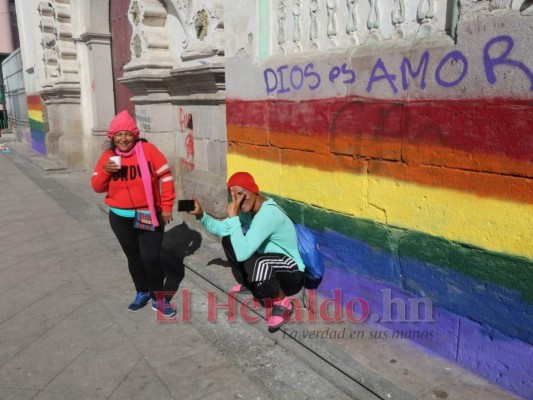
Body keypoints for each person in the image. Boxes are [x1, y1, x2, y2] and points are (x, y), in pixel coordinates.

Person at [190, 172, 305, 332]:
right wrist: (201, 215)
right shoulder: (249, 212)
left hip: (291, 271)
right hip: (271, 266)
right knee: (229, 239)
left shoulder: (268, 214)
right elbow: (222, 229)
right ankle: (250, 283)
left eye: (242, 193)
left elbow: (243, 253)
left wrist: (233, 219)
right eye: (234, 195)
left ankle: (283, 303)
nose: (239, 200)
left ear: (254, 190)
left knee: (261, 264)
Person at [91, 110, 177, 318]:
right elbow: (97, 187)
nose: (123, 139)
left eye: (127, 134)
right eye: (118, 135)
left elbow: (166, 177)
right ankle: (141, 291)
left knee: (151, 258)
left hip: (146, 213)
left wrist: (166, 206)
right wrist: (105, 170)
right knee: (133, 257)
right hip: (120, 217)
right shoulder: (108, 157)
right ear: (112, 137)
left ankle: (158, 297)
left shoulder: (147, 150)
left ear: (135, 135)